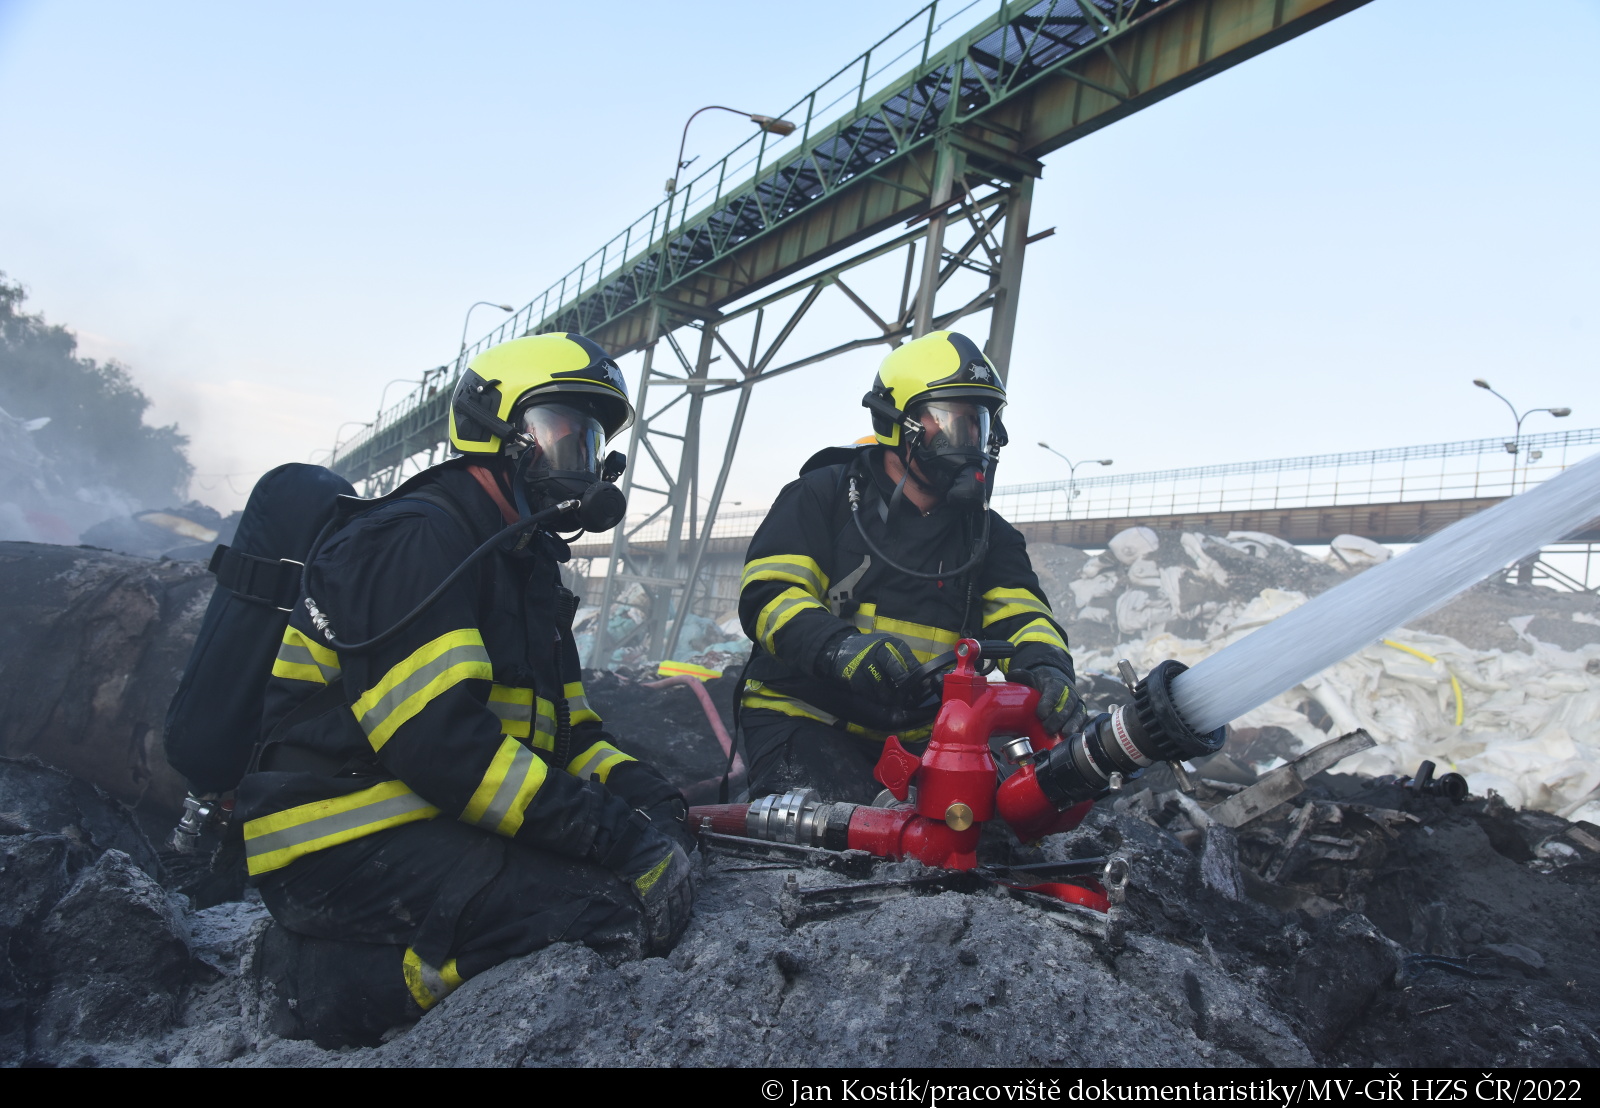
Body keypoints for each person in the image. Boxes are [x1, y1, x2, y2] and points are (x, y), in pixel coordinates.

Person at [237, 333, 694, 1046]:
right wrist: (612, 836)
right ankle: (323, 986)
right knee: (599, 917)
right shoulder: (416, 542)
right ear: (496, 434)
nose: (580, 464)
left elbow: (569, 737)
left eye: (589, 441)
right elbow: (441, 746)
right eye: (560, 437)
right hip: (333, 838)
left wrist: (650, 800)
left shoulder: (523, 563)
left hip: (423, 815)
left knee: (621, 888)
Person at [737, 330, 1085, 803]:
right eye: (951, 422)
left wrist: (1046, 664)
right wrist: (840, 648)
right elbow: (770, 596)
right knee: (842, 839)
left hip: (926, 739)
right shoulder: (823, 496)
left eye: (979, 424)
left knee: (995, 840)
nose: (972, 443)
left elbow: (1023, 617)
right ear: (895, 423)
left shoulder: (990, 534)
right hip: (804, 717)